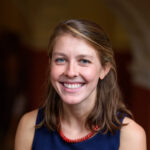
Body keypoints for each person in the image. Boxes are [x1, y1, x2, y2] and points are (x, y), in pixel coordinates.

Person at [15, 19, 147, 150]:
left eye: (84, 61)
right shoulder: (29, 125)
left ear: (104, 69)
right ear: (50, 65)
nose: (71, 72)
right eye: (61, 59)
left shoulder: (130, 136)